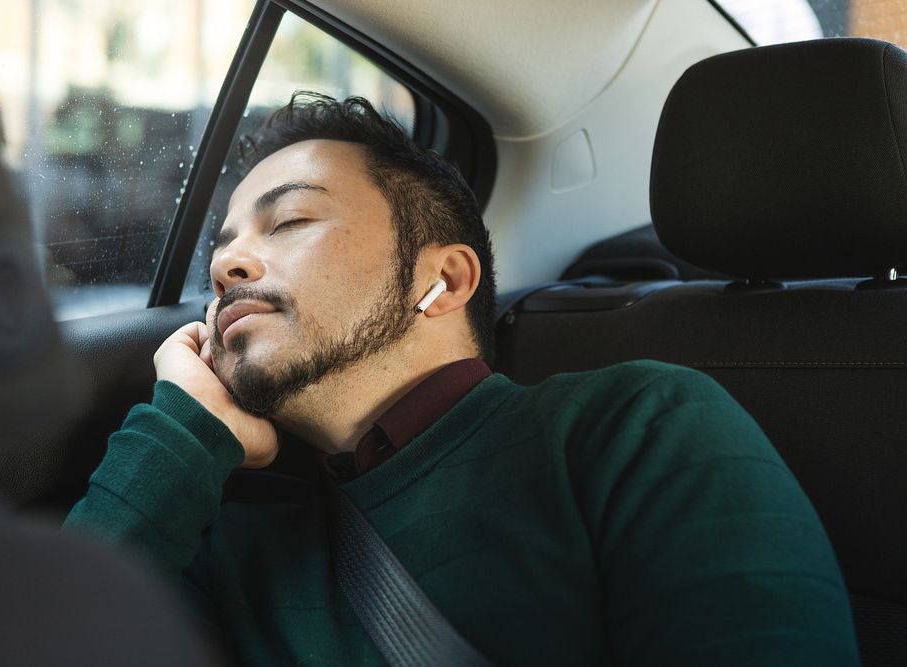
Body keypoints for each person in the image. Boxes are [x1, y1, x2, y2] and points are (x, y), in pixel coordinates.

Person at [64, 93, 860, 665]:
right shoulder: (231, 539)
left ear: (443, 280)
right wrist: (182, 427)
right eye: (227, 241)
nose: (224, 264)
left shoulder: (638, 429)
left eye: (291, 219)